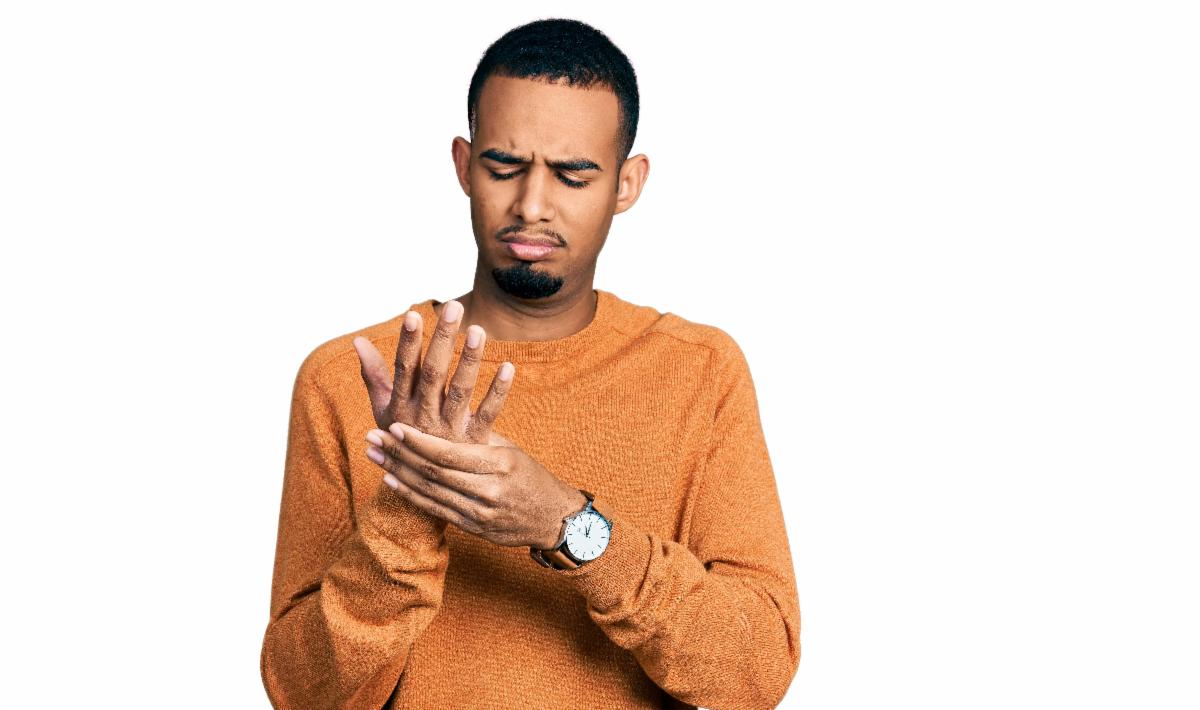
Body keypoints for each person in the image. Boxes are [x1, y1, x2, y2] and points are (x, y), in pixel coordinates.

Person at [260, 17, 801, 709]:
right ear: (463, 165)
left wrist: (568, 526)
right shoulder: (349, 378)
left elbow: (755, 672)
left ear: (627, 183)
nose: (532, 205)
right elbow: (301, 694)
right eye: (504, 168)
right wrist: (414, 501)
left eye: (573, 175)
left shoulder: (700, 372)